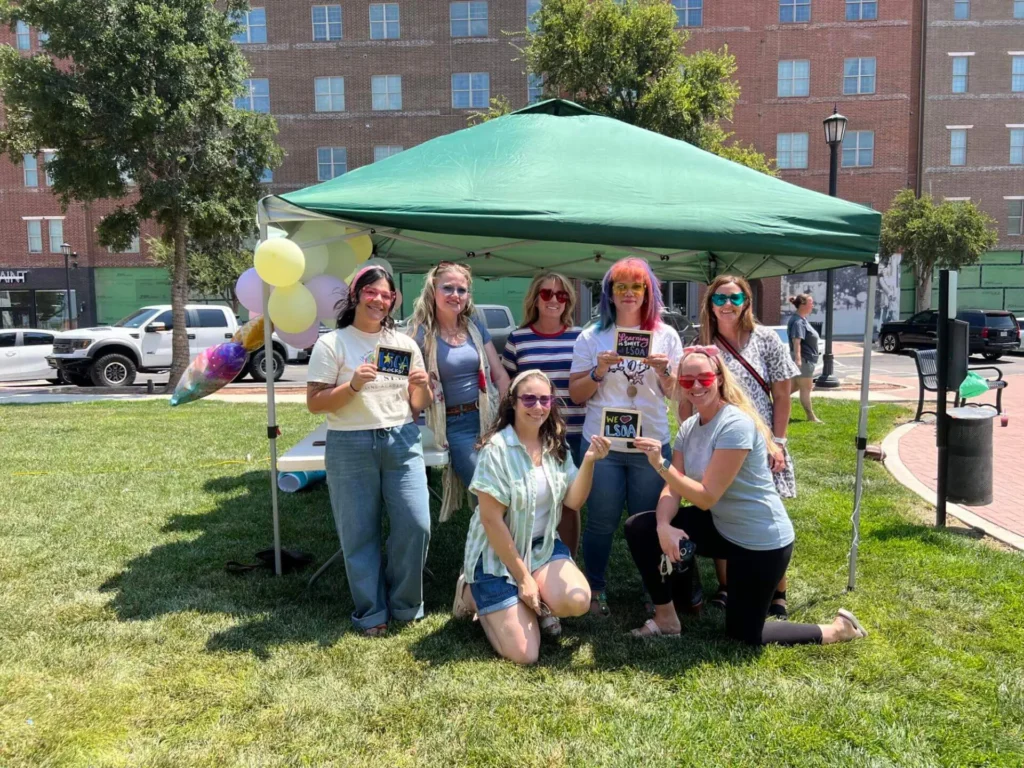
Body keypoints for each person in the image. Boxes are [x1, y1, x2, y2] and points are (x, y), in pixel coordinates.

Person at [625, 346, 867, 647]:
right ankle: (667, 618)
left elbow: (706, 497)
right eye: (687, 381)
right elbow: (674, 487)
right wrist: (663, 525)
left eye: (704, 378)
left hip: (760, 541)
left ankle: (837, 629)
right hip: (722, 526)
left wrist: (659, 464)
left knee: (743, 634)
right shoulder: (689, 426)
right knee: (641, 527)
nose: (696, 386)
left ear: (719, 378)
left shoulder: (734, 424)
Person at [452, 370, 612, 664]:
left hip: (541, 548)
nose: (538, 406)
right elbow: (491, 521)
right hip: (495, 556)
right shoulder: (496, 450)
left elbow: (574, 501)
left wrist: (589, 461)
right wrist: (523, 578)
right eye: (529, 398)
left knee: (578, 599)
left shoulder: (556, 447)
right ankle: (471, 593)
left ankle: (526, 603)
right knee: (525, 654)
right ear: (513, 402)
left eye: (544, 399)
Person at [306, 266, 433, 637]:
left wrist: (423, 386)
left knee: (416, 524)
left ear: (394, 300)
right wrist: (353, 386)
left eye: (386, 294)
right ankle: (371, 611)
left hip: (402, 439)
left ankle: (406, 605)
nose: (379, 299)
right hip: (350, 443)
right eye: (371, 292)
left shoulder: (404, 344)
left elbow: (416, 404)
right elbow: (315, 403)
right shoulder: (333, 344)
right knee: (358, 532)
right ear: (356, 295)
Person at [568, 257, 683, 617]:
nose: (630, 294)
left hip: (649, 445)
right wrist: (599, 371)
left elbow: (676, 394)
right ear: (610, 294)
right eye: (621, 287)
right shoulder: (591, 336)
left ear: (648, 293)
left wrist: (665, 373)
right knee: (600, 521)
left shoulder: (666, 336)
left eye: (637, 287)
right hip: (603, 446)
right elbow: (576, 394)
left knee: (648, 521)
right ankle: (596, 588)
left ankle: (655, 592)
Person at [690, 274, 799, 618]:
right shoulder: (703, 342)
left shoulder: (766, 339)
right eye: (719, 299)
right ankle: (725, 586)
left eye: (734, 299)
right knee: (719, 507)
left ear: (746, 303)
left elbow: (782, 395)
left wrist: (778, 442)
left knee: (765, 513)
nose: (726, 305)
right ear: (709, 304)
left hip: (762, 442)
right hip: (718, 440)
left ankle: (777, 591)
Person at [409, 261, 511, 521]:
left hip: (489, 419)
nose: (455, 295)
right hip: (455, 426)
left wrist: (506, 420)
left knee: (507, 488)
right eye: (448, 288)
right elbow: (407, 385)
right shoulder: (420, 334)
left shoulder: (475, 328)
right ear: (433, 290)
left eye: (462, 290)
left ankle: (503, 553)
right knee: (486, 493)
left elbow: (499, 375)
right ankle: (489, 557)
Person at [502, 272, 585, 467]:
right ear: (536, 300)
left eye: (561, 295)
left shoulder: (581, 337)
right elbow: (508, 391)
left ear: (567, 301)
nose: (554, 299)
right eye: (547, 294)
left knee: (575, 495)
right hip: (535, 433)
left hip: (577, 431)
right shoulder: (517, 339)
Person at [787, 294, 822, 423]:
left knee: (792, 388)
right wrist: (798, 360)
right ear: (802, 304)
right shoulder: (797, 322)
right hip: (804, 360)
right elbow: (796, 341)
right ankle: (811, 416)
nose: (813, 305)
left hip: (806, 360)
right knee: (806, 389)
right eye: (810, 302)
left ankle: (776, 410)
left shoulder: (802, 319)